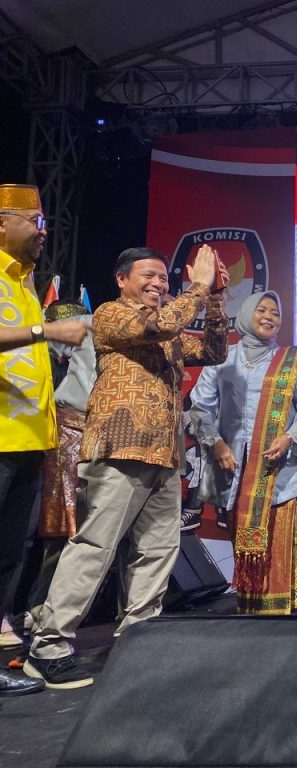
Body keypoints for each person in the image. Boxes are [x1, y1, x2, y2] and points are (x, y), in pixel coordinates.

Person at [26, 245, 228, 689]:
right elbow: (160, 325)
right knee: (93, 547)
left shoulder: (167, 328)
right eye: (148, 276)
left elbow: (215, 353)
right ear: (122, 280)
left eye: (163, 277)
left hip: (164, 454)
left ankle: (137, 638)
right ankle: (48, 648)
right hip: (120, 447)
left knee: (157, 551)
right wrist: (198, 286)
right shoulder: (111, 315)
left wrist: (214, 299)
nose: (158, 283)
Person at [0, 185, 88, 697]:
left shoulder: (25, 281)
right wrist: (46, 332)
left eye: (45, 221)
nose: (43, 230)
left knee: (9, 555)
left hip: (31, 440)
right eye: (34, 220)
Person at [190, 291, 297, 614]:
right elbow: (200, 407)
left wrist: (290, 437)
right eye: (262, 310)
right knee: (249, 537)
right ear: (246, 314)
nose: (269, 317)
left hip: (287, 470)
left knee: (293, 535)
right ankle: (255, 605)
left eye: (275, 313)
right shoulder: (222, 359)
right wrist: (216, 443)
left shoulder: (291, 361)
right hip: (237, 468)